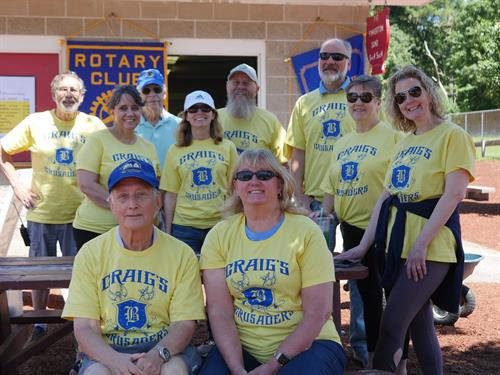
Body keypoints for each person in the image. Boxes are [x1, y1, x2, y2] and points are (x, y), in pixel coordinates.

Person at [337, 65, 475, 374]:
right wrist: (362, 247)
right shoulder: (405, 142)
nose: (409, 100)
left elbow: (453, 196)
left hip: (431, 246)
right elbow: (387, 198)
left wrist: (421, 245)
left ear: (428, 92)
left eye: (414, 91)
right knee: (420, 324)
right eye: (400, 97)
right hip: (397, 244)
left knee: (392, 323)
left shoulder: (453, 136)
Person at [199, 149, 346, 375]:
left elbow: (318, 313)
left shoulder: (306, 232)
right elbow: (219, 311)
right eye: (245, 176)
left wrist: (272, 366)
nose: (254, 181)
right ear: (235, 186)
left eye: (264, 175)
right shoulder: (220, 235)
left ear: (280, 184)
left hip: (309, 346)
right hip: (244, 348)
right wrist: (237, 369)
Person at [62, 158, 205, 375]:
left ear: (157, 201)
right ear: (111, 204)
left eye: (141, 195)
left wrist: (157, 356)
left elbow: (183, 324)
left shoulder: (181, 254)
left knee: (173, 370)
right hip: (110, 349)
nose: (132, 204)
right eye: (123, 196)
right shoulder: (91, 253)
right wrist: (115, 360)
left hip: (165, 349)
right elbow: (84, 328)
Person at [0, 71, 105, 341]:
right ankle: (39, 322)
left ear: (82, 96)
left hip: (81, 216)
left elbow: (110, 156)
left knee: (81, 272)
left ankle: (83, 325)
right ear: (54, 93)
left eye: (74, 90)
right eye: (63, 89)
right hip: (43, 212)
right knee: (38, 274)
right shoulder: (36, 122)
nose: (68, 94)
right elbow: (3, 150)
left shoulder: (94, 125)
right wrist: (18, 185)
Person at [313, 75, 403, 368]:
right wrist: (324, 219)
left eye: (365, 97)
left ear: (378, 102)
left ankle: (395, 362)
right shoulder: (342, 143)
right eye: (352, 97)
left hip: (387, 228)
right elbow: (331, 189)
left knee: (392, 298)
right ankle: (373, 362)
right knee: (367, 295)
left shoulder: (394, 138)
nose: (358, 103)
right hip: (351, 229)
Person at [72, 85, 160, 249]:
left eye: (135, 108)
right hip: (95, 230)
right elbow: (86, 184)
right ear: (112, 111)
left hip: (137, 232)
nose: (129, 113)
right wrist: (124, 209)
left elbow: (154, 187)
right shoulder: (97, 140)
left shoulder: (148, 147)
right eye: (123, 108)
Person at [160, 90, 238, 254]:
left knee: (218, 276)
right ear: (186, 116)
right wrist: (167, 229)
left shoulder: (227, 147)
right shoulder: (175, 150)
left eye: (205, 108)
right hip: (184, 227)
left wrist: (234, 220)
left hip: (219, 224)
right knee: (187, 277)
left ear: (213, 115)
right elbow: (171, 194)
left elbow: (235, 189)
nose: (199, 113)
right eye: (193, 109)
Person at [285, 38, 355, 212]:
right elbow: (298, 153)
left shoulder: (364, 100)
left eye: (338, 57)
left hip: (355, 196)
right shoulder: (304, 103)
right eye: (325, 56)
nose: (330, 61)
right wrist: (299, 195)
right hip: (316, 199)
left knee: (360, 241)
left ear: (349, 63)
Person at [218, 63, 287, 163]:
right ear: (227, 86)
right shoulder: (213, 118)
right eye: (236, 82)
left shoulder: (270, 120)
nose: (240, 87)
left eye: (246, 83)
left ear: (257, 89)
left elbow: (283, 163)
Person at [135, 68, 181, 169]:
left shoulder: (180, 125)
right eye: (146, 91)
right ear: (139, 95)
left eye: (157, 89)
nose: (152, 94)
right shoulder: (131, 126)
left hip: (171, 184)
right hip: (141, 184)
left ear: (164, 93)